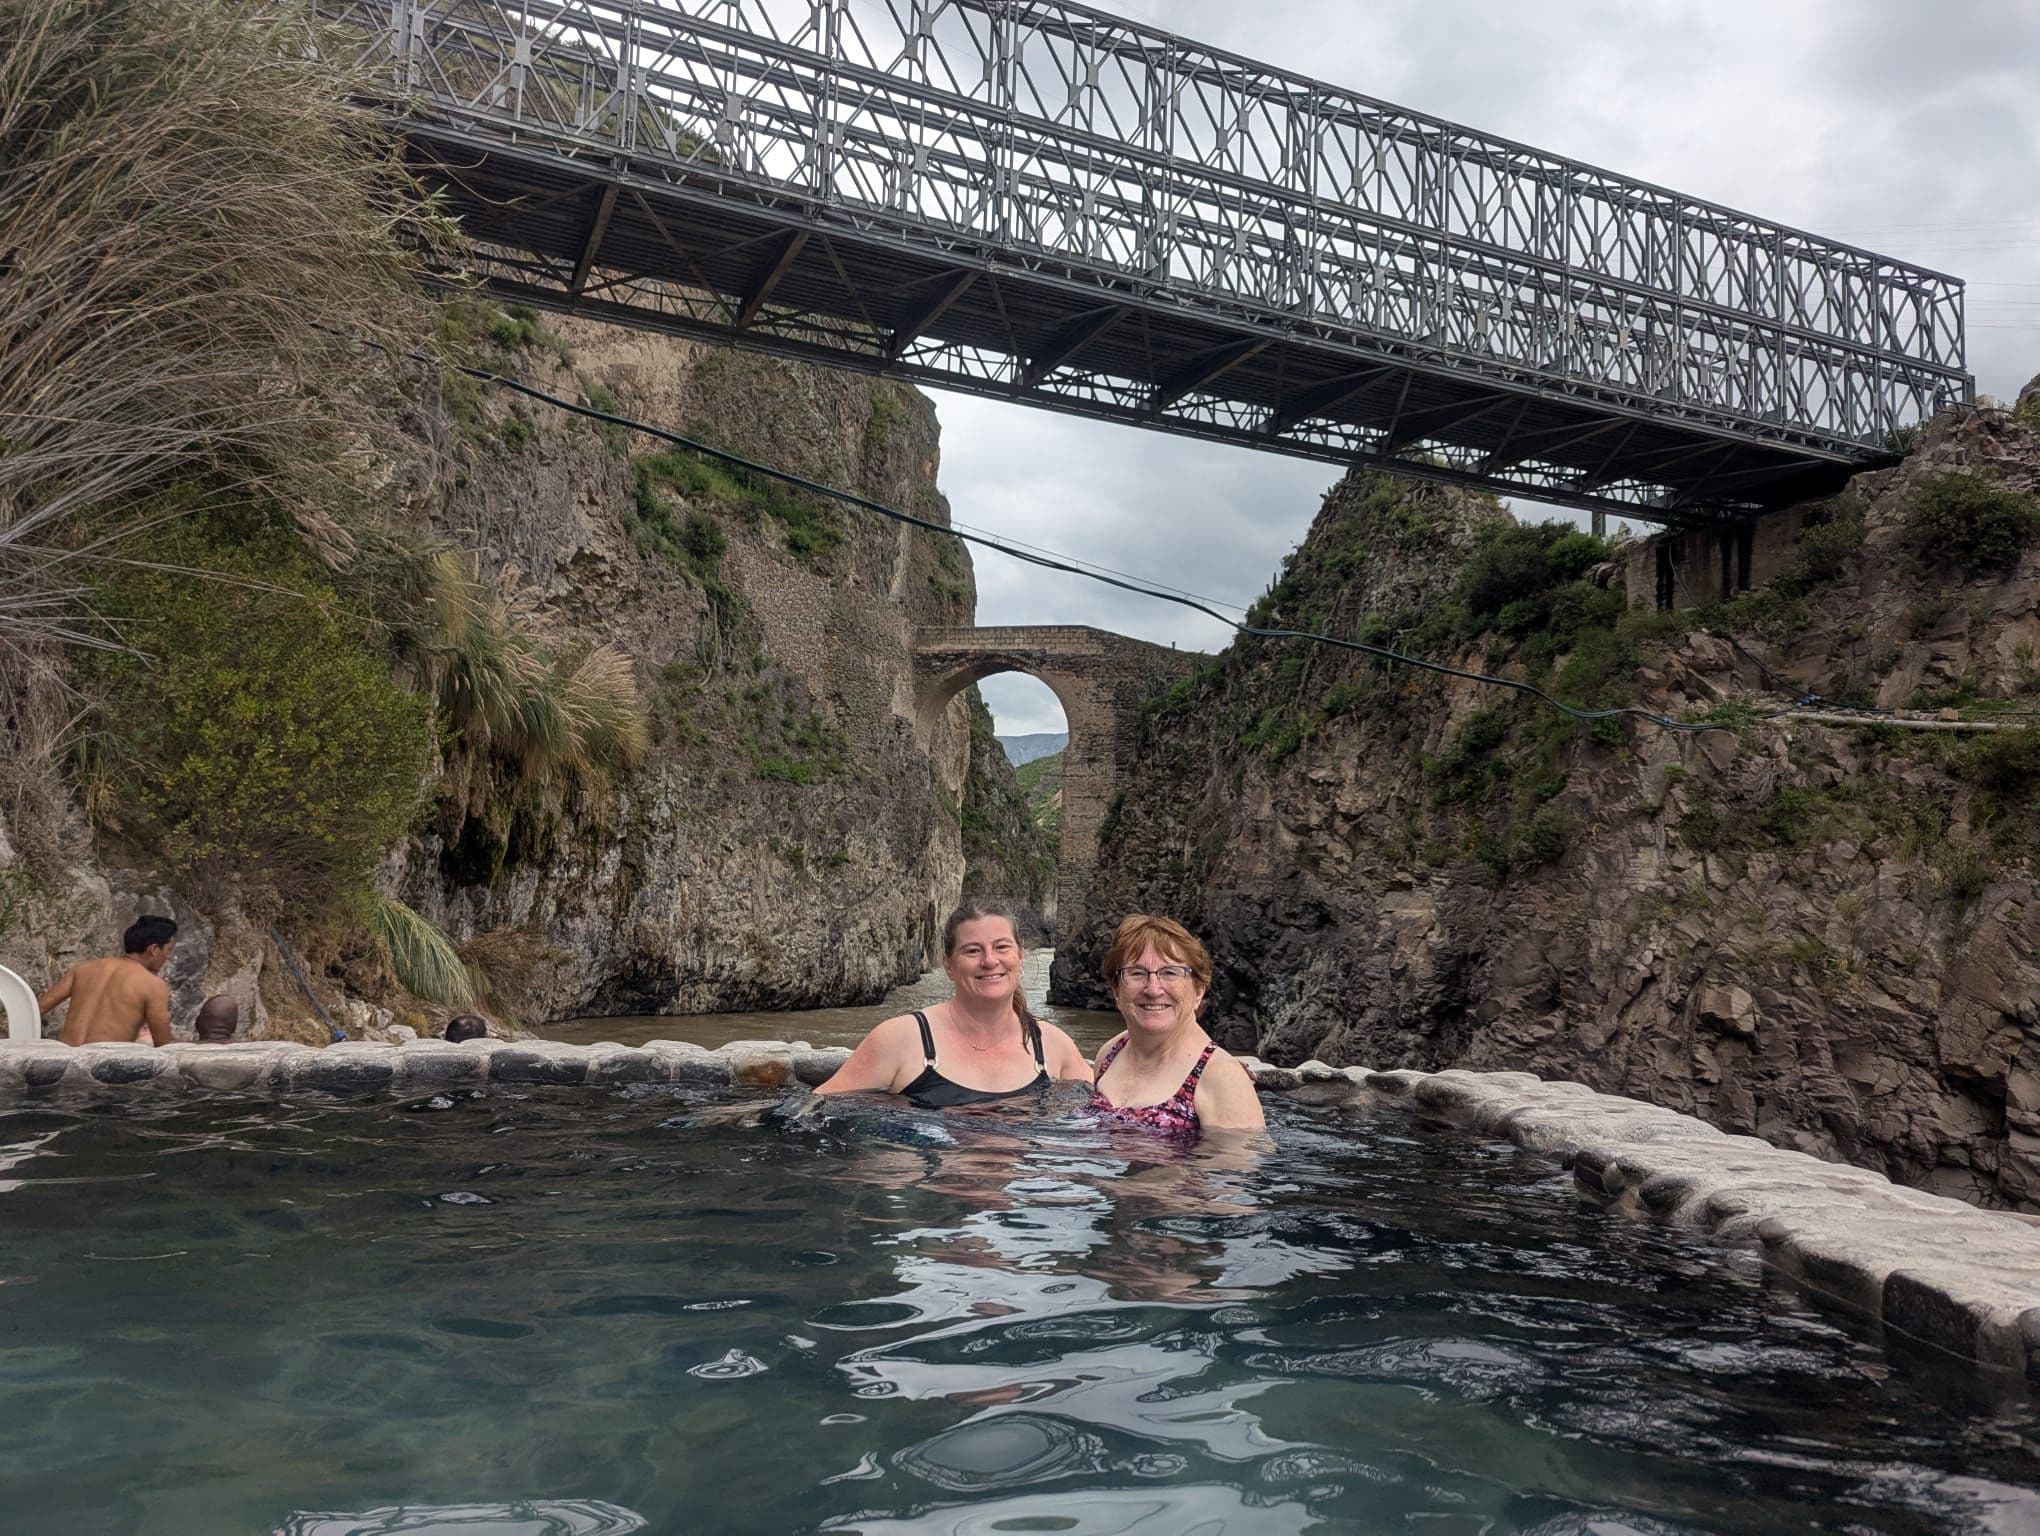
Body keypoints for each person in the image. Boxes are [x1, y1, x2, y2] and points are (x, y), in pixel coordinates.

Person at [817, 898, 1092, 1105]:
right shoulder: (900, 1039)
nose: (989, 961)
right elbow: (812, 1113)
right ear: (949, 965)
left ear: (1020, 955)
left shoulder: (1055, 1046)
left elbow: (1102, 1125)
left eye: (1002, 947)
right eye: (972, 951)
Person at [1091, 914, 1263, 1134]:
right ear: (1116, 990)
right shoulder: (1109, 1053)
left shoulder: (1222, 1079)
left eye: (1170, 973)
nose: (1153, 989)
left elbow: (1238, 1167)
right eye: (1137, 973)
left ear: (1198, 991)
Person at [37, 915, 177, 1046]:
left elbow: (37, 1008)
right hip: (103, 1066)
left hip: (65, 1061)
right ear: (154, 949)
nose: (168, 957)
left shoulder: (83, 969)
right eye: (169, 950)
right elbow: (163, 1044)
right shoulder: (152, 984)